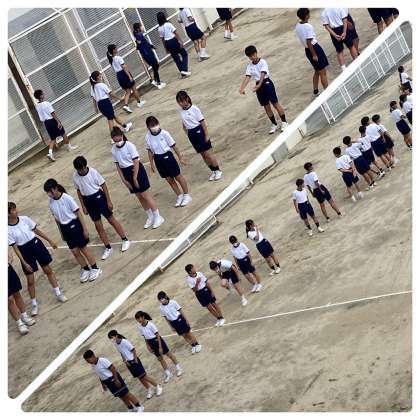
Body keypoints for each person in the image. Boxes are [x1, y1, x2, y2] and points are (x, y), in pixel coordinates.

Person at [8, 201, 67, 316]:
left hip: (36, 244)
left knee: (48, 270)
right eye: (13, 210)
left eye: (15, 208)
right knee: (30, 280)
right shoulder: (7, 229)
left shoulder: (24, 219)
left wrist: (50, 240)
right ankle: (34, 304)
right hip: (24, 251)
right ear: (8, 214)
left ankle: (58, 292)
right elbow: (16, 248)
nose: (16, 211)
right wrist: (24, 263)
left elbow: (36, 231)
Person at [43, 179, 102, 283]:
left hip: (74, 225)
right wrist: (61, 233)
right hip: (65, 228)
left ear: (55, 189)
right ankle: (86, 269)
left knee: (83, 249)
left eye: (49, 191)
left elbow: (78, 213)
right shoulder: (51, 202)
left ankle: (95, 268)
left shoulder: (67, 198)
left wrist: (85, 229)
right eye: (47, 192)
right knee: (75, 251)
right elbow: (56, 219)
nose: (48, 194)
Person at [73, 156, 130, 260]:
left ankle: (125, 239)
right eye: (78, 170)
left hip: (99, 197)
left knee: (111, 220)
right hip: (88, 201)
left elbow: (103, 185)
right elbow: (78, 190)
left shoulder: (93, 172)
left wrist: (109, 201)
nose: (80, 171)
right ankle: (108, 247)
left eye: (82, 169)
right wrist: (83, 206)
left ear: (85, 166)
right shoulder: (75, 176)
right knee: (98, 226)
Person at [111, 127, 164, 229]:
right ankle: (150, 216)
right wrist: (123, 179)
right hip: (126, 172)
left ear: (122, 136)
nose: (117, 142)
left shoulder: (129, 146)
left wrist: (135, 177)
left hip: (137, 170)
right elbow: (118, 165)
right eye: (115, 140)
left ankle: (158, 216)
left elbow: (136, 161)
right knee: (139, 196)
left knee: (145, 195)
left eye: (119, 139)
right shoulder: (113, 150)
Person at [239, 45, 288, 135]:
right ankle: (274, 124)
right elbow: (248, 76)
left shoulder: (263, 62)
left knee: (275, 103)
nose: (252, 57)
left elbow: (262, 74)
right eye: (250, 56)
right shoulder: (249, 66)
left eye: (253, 55)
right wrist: (242, 88)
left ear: (256, 53)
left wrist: (259, 85)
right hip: (258, 85)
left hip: (266, 83)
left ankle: (284, 122)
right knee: (266, 106)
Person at [145, 116, 192, 208]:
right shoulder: (147, 136)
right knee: (169, 179)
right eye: (152, 125)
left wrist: (180, 157)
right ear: (148, 127)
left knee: (178, 176)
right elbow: (149, 150)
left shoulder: (164, 133)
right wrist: (151, 163)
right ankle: (179, 195)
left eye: (155, 124)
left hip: (167, 156)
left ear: (158, 123)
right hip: (158, 158)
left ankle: (186, 195)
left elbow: (174, 146)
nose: (154, 127)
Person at [176, 90, 222, 181]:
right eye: (179, 102)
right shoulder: (181, 111)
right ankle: (213, 171)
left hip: (199, 131)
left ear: (187, 99)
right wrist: (187, 133)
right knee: (203, 154)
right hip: (191, 134)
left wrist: (206, 134)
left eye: (182, 101)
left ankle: (218, 170)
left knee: (208, 153)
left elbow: (202, 122)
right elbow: (184, 123)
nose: (181, 103)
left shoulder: (194, 109)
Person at [107, 330, 163, 399]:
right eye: (110, 338)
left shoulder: (124, 342)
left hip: (134, 361)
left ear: (116, 336)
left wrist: (135, 361)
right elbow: (121, 353)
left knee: (144, 376)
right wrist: (125, 361)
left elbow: (133, 350)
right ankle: (149, 389)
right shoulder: (116, 344)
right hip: (128, 363)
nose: (112, 339)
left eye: (112, 337)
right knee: (139, 378)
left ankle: (158, 386)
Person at [135, 311, 183, 383]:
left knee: (169, 354)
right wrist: (148, 346)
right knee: (160, 359)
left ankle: (178, 368)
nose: (138, 320)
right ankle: (168, 374)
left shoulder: (150, 324)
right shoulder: (140, 327)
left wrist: (160, 347)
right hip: (151, 343)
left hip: (157, 341)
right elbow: (145, 337)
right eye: (137, 319)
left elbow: (157, 335)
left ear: (143, 317)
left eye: (139, 318)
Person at [33, 89, 77, 161]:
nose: (44, 94)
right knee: (63, 133)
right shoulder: (46, 103)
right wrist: (58, 121)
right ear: (40, 96)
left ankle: (50, 153)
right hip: (52, 121)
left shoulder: (37, 106)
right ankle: (69, 147)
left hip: (46, 123)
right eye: (42, 94)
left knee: (53, 138)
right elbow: (52, 113)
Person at [295, 8, 329, 97]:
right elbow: (309, 42)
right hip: (314, 49)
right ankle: (327, 92)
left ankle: (315, 90)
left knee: (317, 70)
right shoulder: (308, 26)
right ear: (306, 16)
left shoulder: (297, 26)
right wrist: (314, 54)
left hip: (307, 50)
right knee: (322, 72)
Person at [106, 44, 146, 114]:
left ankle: (126, 105)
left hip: (119, 76)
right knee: (134, 89)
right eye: (116, 48)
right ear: (113, 50)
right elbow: (124, 67)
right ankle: (139, 102)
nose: (117, 49)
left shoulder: (111, 60)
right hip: (124, 74)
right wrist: (129, 76)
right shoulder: (118, 58)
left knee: (128, 92)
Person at [8, 249, 36, 335]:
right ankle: (19, 323)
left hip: (8, 269)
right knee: (9, 299)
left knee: (17, 293)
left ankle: (25, 316)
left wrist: (9, 253)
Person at [133, 22, 166, 89]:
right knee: (155, 65)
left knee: (156, 66)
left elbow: (144, 43)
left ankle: (155, 80)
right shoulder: (139, 36)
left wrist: (151, 46)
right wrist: (146, 52)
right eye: (141, 26)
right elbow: (140, 46)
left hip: (148, 53)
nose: (142, 27)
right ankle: (158, 83)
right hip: (147, 54)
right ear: (138, 28)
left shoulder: (139, 35)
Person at [157, 11, 190, 78]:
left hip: (167, 43)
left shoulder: (159, 28)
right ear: (164, 17)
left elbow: (162, 40)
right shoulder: (168, 24)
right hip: (173, 41)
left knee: (176, 59)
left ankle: (183, 74)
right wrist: (180, 41)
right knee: (184, 54)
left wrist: (166, 48)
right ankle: (184, 70)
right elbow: (175, 33)